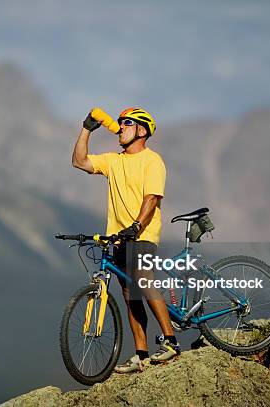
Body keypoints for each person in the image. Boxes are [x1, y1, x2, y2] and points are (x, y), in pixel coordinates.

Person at [71, 107, 180, 373]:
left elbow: (152, 198)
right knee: (131, 295)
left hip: (142, 234)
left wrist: (136, 225)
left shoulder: (152, 161)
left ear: (142, 130)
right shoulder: (114, 161)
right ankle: (141, 355)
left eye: (127, 123)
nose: (120, 127)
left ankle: (171, 343)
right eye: (119, 122)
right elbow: (79, 161)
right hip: (119, 238)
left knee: (143, 280)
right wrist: (86, 128)